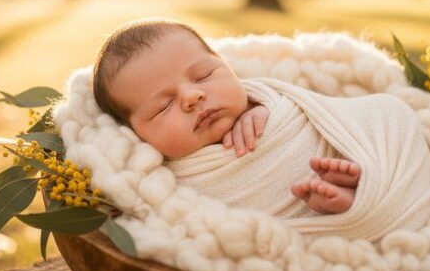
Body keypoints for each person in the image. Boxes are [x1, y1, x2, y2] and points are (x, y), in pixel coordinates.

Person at [92, 19, 361, 214]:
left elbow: (316, 109)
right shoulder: (161, 184)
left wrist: (266, 109)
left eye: (204, 75)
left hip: (333, 155)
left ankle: (360, 185)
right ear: (134, 134)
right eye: (163, 107)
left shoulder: (271, 104)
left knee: (350, 158)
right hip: (292, 231)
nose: (191, 96)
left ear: (228, 66)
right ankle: (342, 206)